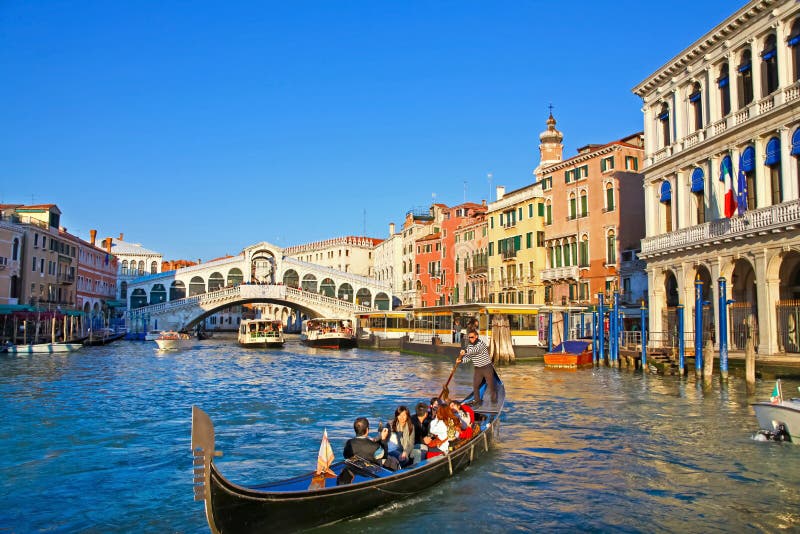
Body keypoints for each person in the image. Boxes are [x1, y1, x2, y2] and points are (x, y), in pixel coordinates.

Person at [456, 330, 496, 408]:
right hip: (478, 369)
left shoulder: (481, 344)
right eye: (469, 337)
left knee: (491, 386)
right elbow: (469, 357)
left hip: (487, 367)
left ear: (476, 336)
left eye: (472, 337)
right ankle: (478, 401)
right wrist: (461, 360)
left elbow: (475, 351)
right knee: (475, 385)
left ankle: (494, 402)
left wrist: (465, 351)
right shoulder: (470, 345)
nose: (470, 339)